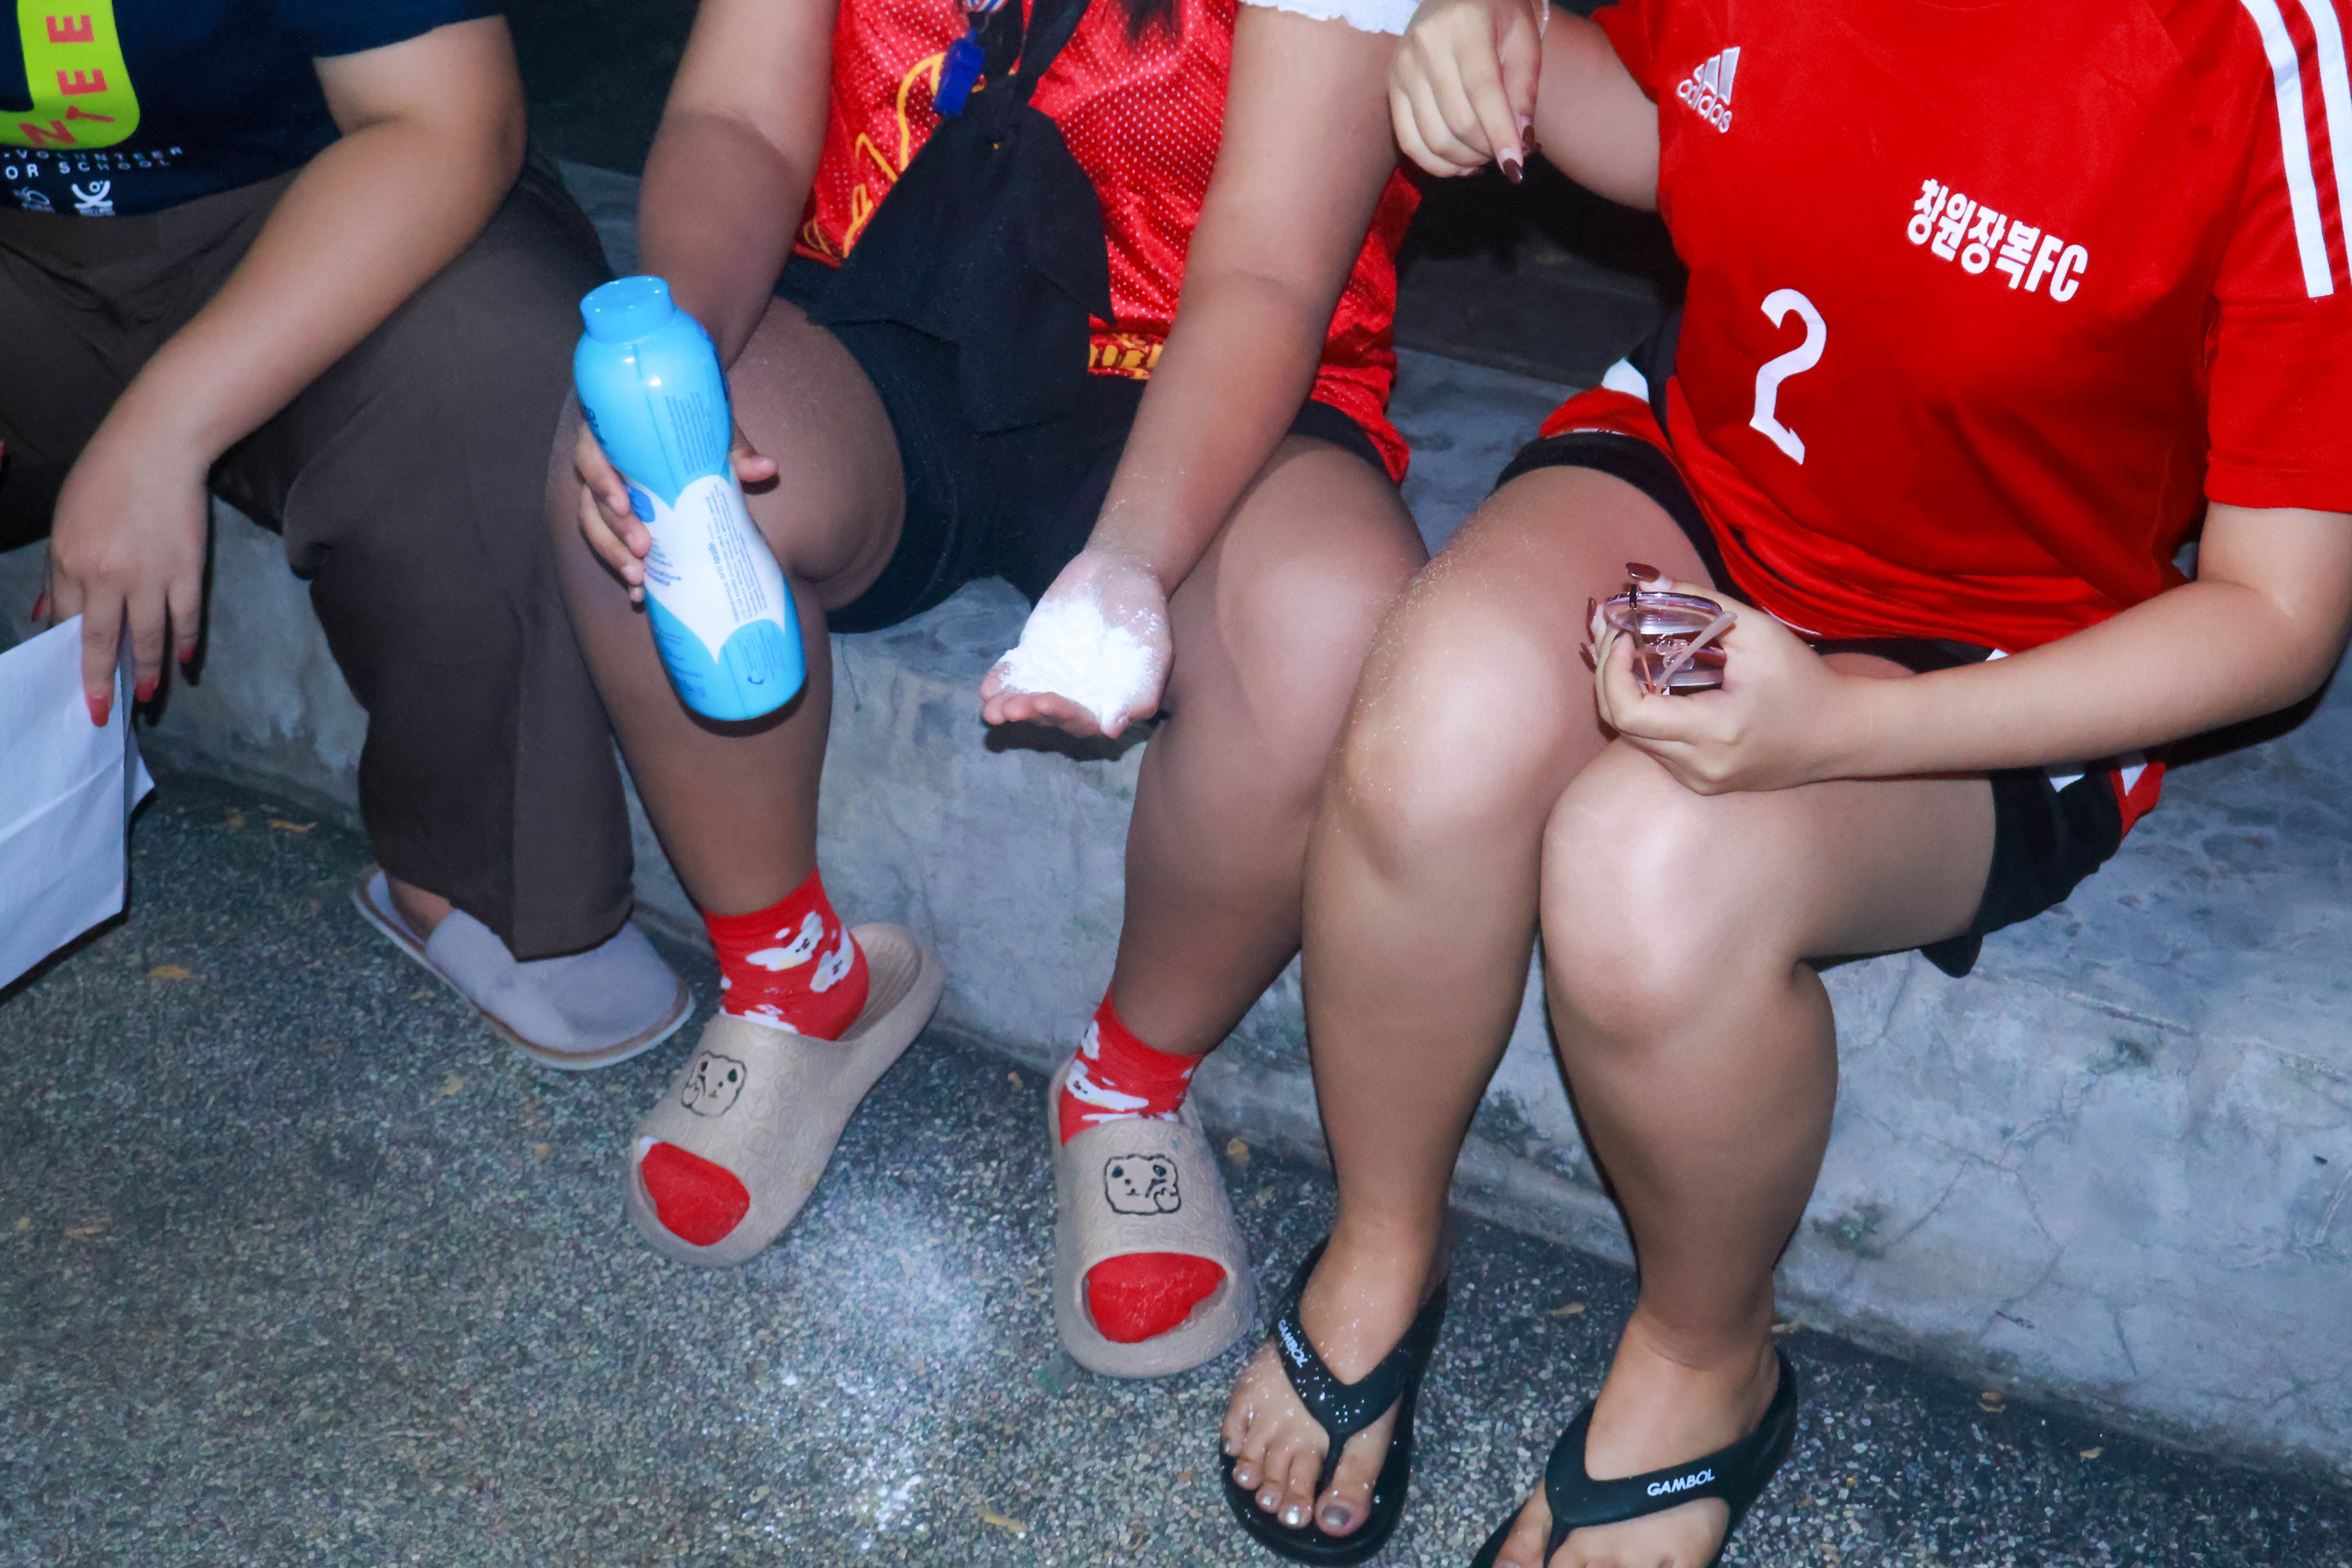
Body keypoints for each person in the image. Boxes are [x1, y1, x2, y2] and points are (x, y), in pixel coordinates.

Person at [1218, 0, 2352, 1563]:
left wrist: (1836, 734)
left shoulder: (2269, 54)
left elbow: (2283, 618)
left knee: (1647, 873)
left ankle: (1705, 1363)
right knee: (1436, 721)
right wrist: (1500, 36)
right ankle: (1384, 1237)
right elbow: (1687, 126)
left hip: (2012, 638)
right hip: (1713, 472)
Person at [557, 0, 1427, 1380]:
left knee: (1336, 624)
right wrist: (673, 384)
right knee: (627, 477)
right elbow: (735, 115)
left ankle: (1131, 1082)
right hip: (883, 318)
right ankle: (795, 979)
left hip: (1214, 376)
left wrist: (1128, 561)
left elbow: (1268, 271)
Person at [0, 4, 688, 1067]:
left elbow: (444, 121)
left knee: (495, 363)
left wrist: (160, 434)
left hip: (318, 201)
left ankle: (477, 872)